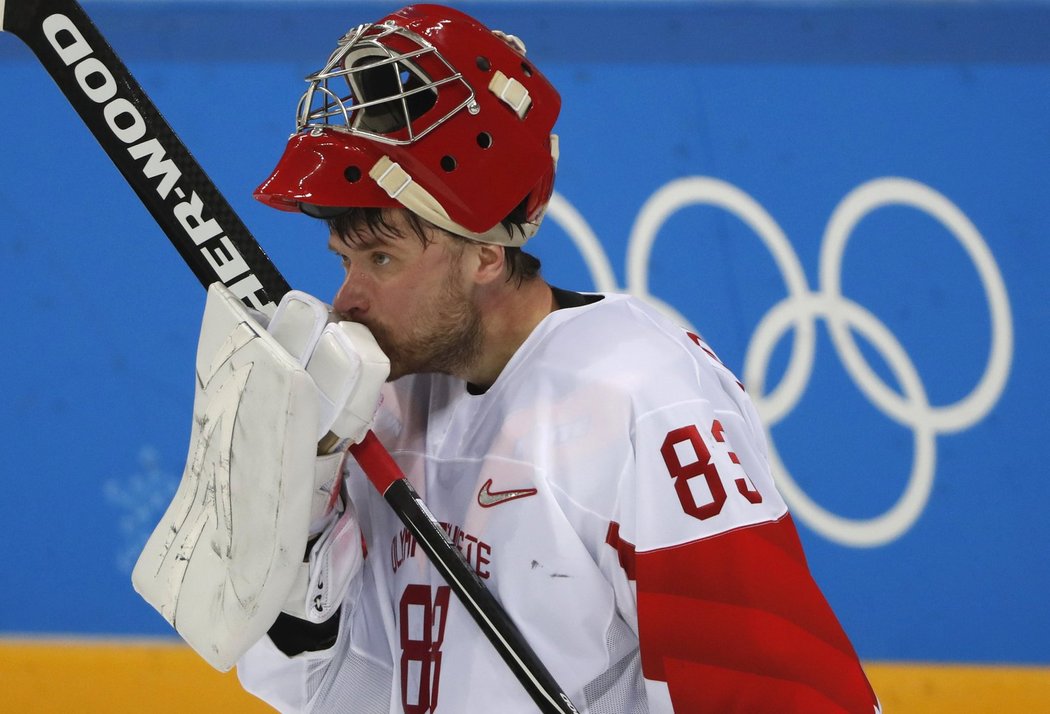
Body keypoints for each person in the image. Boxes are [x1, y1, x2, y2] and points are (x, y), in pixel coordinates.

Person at [171, 4, 882, 712]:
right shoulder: (378, 406)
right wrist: (300, 536)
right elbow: (334, 693)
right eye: (344, 260)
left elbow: (777, 695)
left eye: (382, 258)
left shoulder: (645, 398)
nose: (345, 300)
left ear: (485, 255)